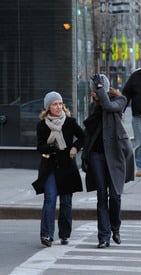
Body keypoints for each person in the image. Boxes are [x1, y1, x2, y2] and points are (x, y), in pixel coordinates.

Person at [81, 73, 134, 248]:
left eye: (95, 89)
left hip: (115, 154)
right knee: (101, 196)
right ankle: (103, 236)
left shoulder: (120, 101)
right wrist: (85, 155)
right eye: (93, 90)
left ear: (103, 88)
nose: (93, 93)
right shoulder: (92, 106)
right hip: (96, 154)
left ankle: (115, 227)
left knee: (116, 196)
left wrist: (100, 88)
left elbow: (108, 106)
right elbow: (89, 132)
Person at [32, 91, 84, 247]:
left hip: (67, 167)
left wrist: (75, 147)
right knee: (50, 199)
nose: (58, 106)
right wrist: (50, 147)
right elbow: (39, 147)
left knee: (66, 202)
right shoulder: (42, 125)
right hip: (49, 167)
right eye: (54, 104)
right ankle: (46, 234)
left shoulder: (69, 122)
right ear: (48, 107)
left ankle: (64, 234)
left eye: (60, 103)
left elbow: (83, 136)